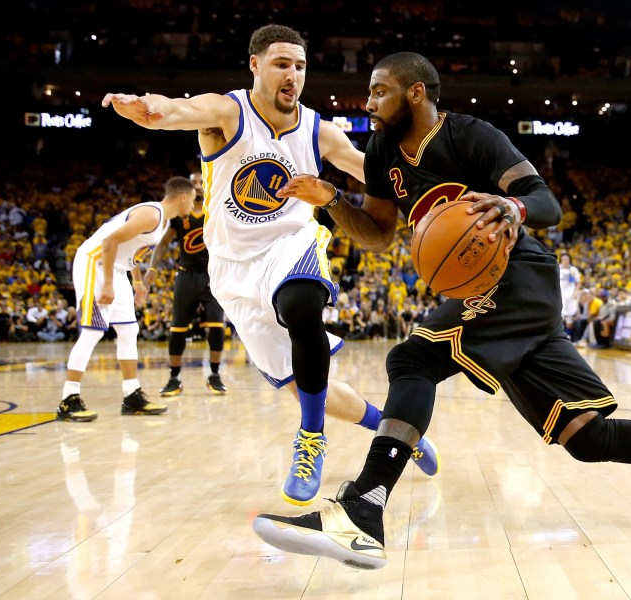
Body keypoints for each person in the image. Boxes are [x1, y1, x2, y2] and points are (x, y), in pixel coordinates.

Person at [253, 52, 631, 570]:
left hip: (521, 277)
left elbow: (545, 203)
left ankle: (362, 510)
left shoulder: (472, 135)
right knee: (588, 438)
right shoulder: (382, 152)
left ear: (415, 92)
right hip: (491, 294)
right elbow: (381, 236)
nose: (368, 102)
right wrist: (332, 201)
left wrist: (513, 206)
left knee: (412, 360)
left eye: (379, 91)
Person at [102, 25, 439, 506]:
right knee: (304, 383)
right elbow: (176, 110)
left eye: (300, 66)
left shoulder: (319, 129)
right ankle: (400, 430)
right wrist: (146, 109)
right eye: (282, 64)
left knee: (302, 304)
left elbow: (377, 173)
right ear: (256, 65)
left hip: (291, 244)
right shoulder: (227, 111)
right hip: (231, 269)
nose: (293, 75)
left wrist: (440, 187)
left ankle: (310, 441)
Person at [56, 176, 196, 422]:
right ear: (183, 197)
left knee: (129, 331)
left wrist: (138, 282)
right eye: (193, 200)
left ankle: (132, 396)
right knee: (92, 332)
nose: (194, 206)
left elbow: (132, 253)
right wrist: (108, 283)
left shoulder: (162, 222)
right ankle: (69, 399)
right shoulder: (152, 214)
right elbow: (110, 242)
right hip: (94, 263)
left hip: (117, 268)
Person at [145, 171, 229, 396]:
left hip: (213, 276)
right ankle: (174, 378)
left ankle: (214, 375)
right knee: (177, 329)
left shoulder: (216, 209)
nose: (199, 186)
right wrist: (152, 267)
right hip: (186, 275)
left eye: (202, 182)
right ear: (187, 190)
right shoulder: (179, 215)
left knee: (216, 327)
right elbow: (163, 244)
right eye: (195, 183)